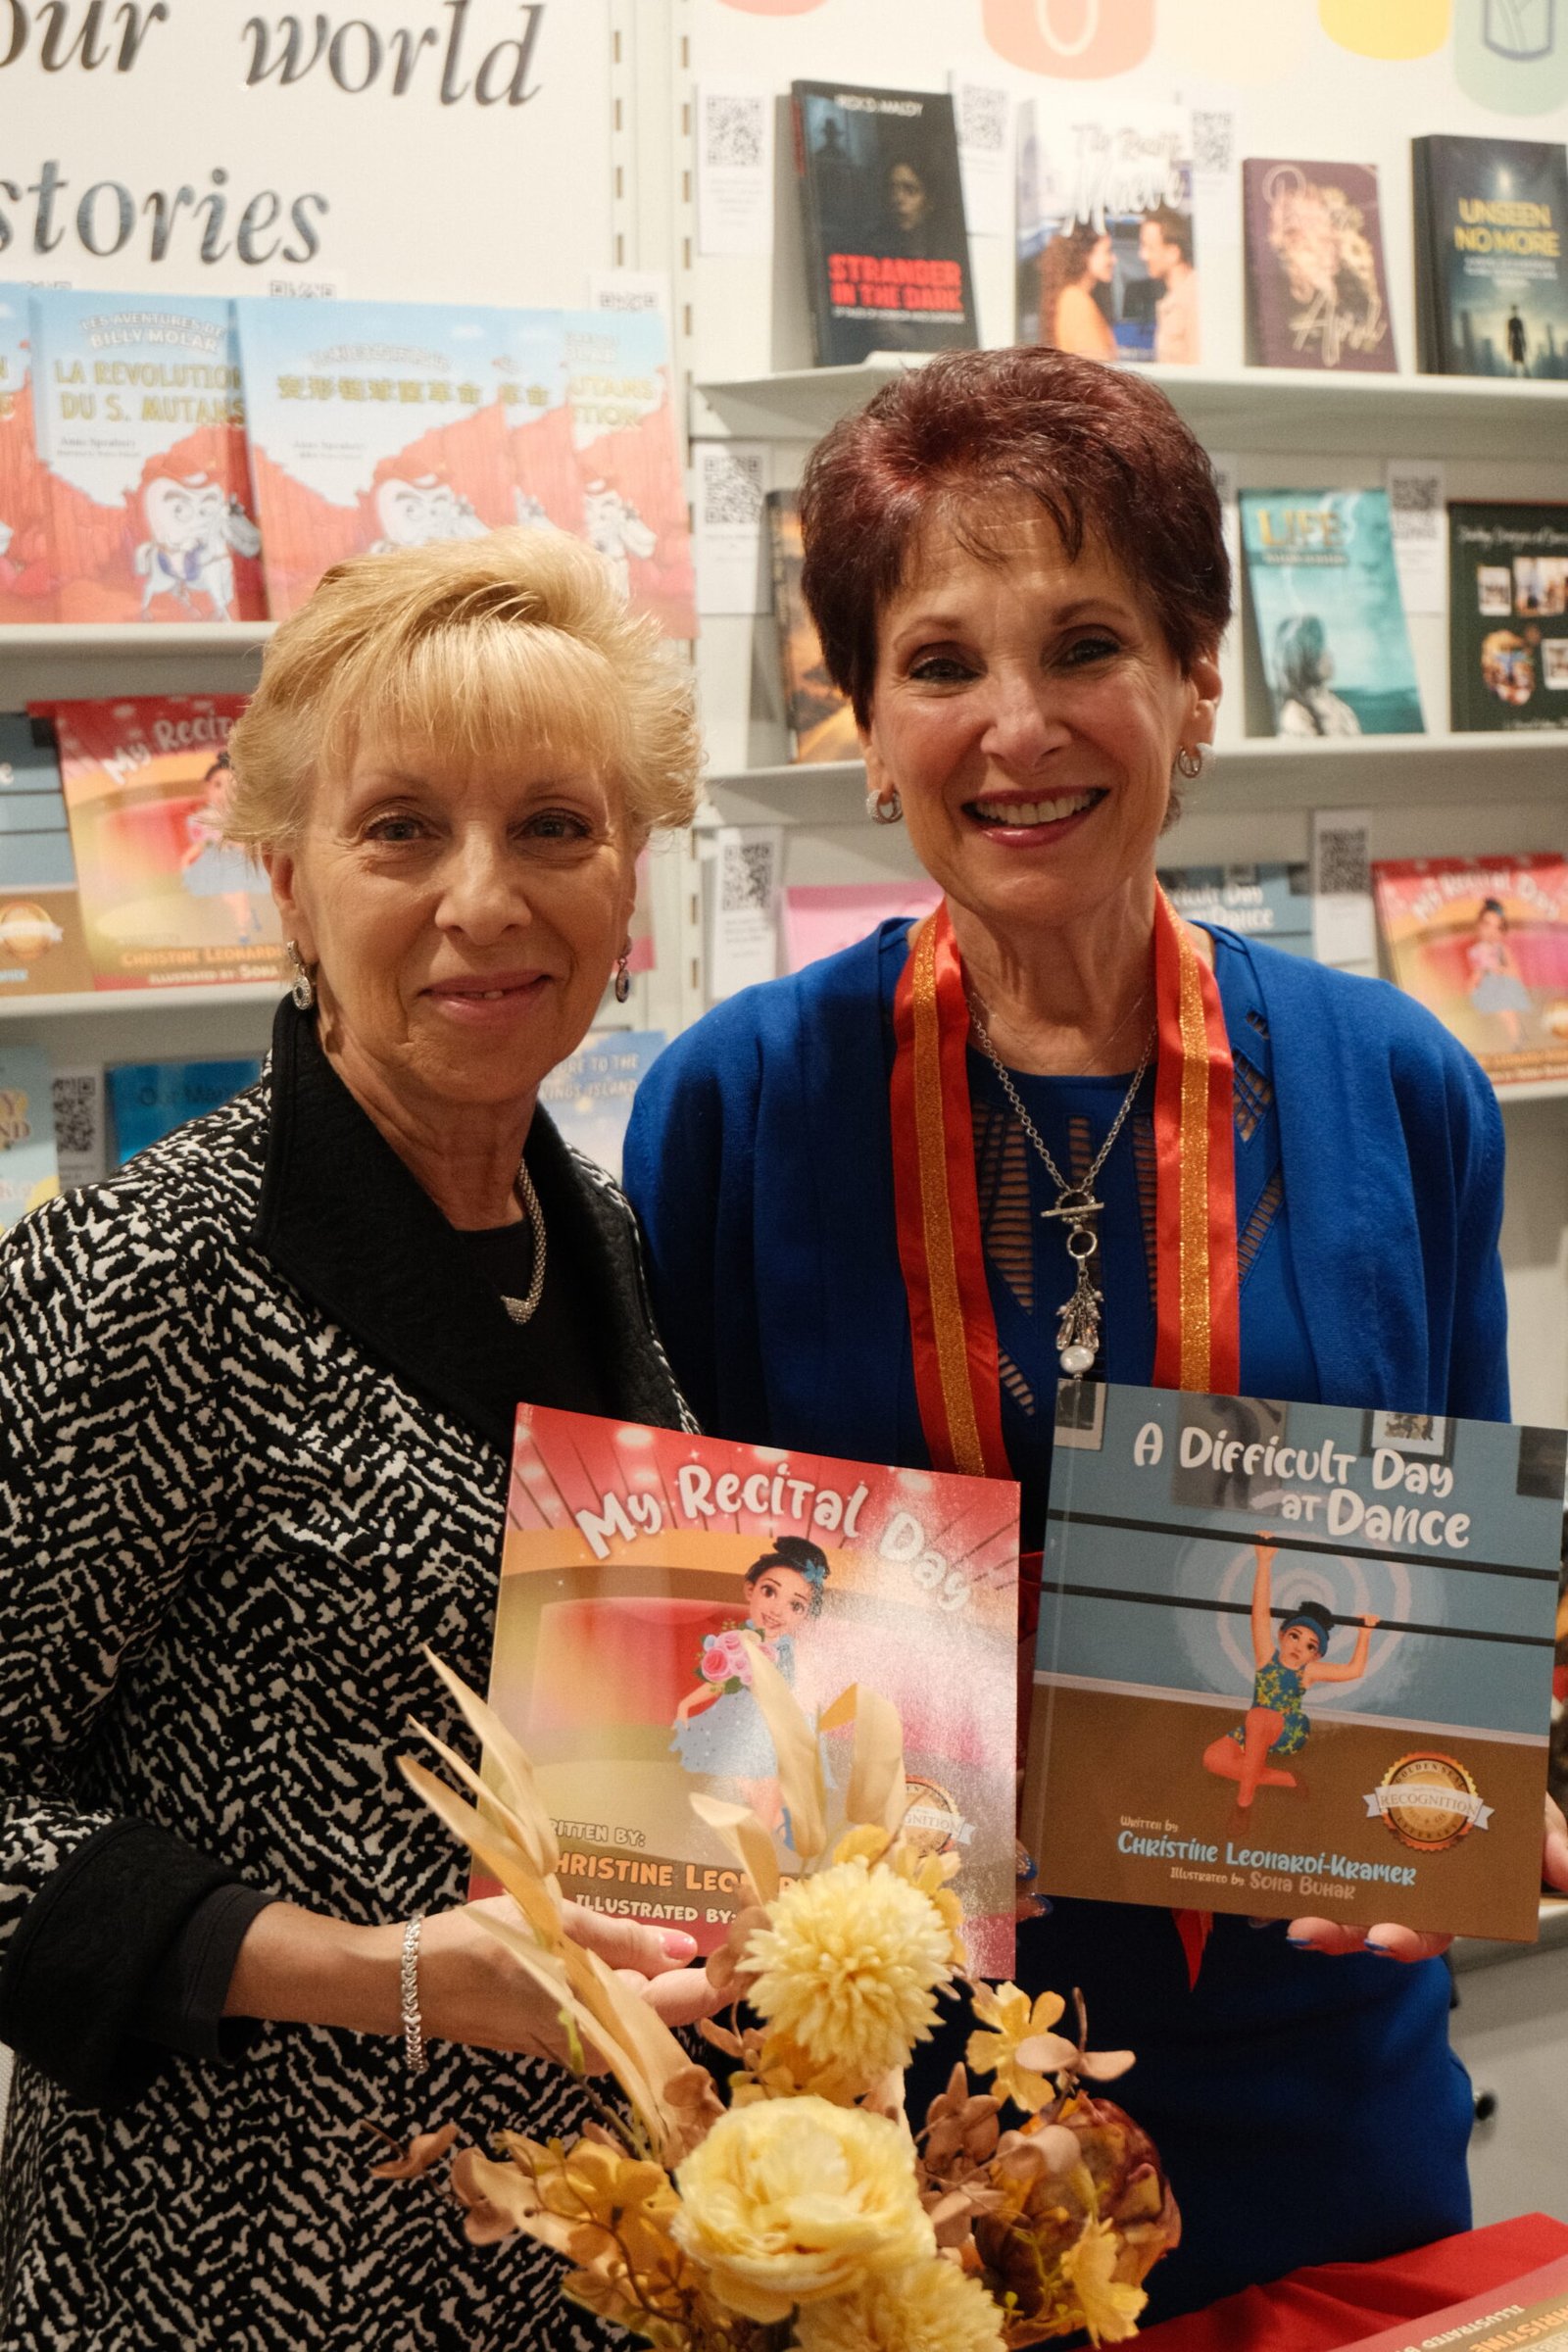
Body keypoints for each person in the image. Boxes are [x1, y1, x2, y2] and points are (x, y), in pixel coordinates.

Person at [623, 346, 1568, 2324]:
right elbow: (680, 1648)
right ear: (866, 722)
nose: (1017, 727)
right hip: (886, 2140)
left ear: (1197, 680)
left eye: (1085, 645)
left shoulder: (1399, 1090)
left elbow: (1464, 1621)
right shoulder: (733, 1108)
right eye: (938, 663)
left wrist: (1492, 1804)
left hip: (1322, 2103)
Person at [0, 527, 715, 2352]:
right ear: (289, 882)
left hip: (575, 2264)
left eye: (553, 827)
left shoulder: (597, 1232)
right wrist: (383, 1975)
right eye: (402, 830)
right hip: (235, 2274)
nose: (486, 899)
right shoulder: (147, 1273)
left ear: (629, 874)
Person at [1201, 1537, 1377, 1808]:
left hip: (1288, 1732)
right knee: (1213, 1759)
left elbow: (1354, 1670)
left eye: (1309, 1646)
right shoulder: (1266, 1657)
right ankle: (1285, 1779)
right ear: (1282, 1636)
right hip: (1255, 1731)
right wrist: (1264, 1561)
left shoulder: (1308, 1671)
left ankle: (1244, 1801)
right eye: (1295, 1636)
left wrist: (1364, 1634)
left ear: (1315, 1655)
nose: (1298, 1647)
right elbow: (1260, 1614)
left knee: (1259, 1716)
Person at [671, 1536, 831, 1835]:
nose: (777, 1611)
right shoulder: (740, 1643)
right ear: (750, 1589)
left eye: (796, 1606)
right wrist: (687, 1703)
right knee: (745, 1781)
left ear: (807, 1615)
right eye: (769, 1592)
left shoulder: (793, 1653)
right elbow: (722, 1682)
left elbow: (808, 1696)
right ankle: (775, 1828)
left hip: (779, 1728)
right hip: (737, 1722)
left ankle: (776, 1829)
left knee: (768, 1785)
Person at [1037, 219, 1117, 357]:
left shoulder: (1072, 297)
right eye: (1107, 251)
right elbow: (1096, 362)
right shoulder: (1077, 302)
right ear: (1085, 255)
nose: (1114, 259)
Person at [1273, 611, 1361, 735]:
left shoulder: (1341, 709)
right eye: (1320, 648)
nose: (1329, 654)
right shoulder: (1295, 714)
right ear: (1305, 657)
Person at [1466, 896, 1535, 1045]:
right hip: (1485, 989)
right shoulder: (1475, 951)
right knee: (1500, 1006)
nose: (1491, 932)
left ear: (1502, 931)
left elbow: (1514, 973)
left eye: (1497, 928)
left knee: (1507, 1008)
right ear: (1479, 926)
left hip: (1502, 987)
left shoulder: (1501, 949)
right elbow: (1476, 975)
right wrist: (1476, 985)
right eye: (1487, 925)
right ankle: (1515, 1037)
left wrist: (1500, 970)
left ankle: (1517, 1037)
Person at [1138, 203, 1200, 363]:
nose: (1142, 255)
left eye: (1150, 248)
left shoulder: (1195, 299)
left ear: (1173, 253)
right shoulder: (1172, 298)